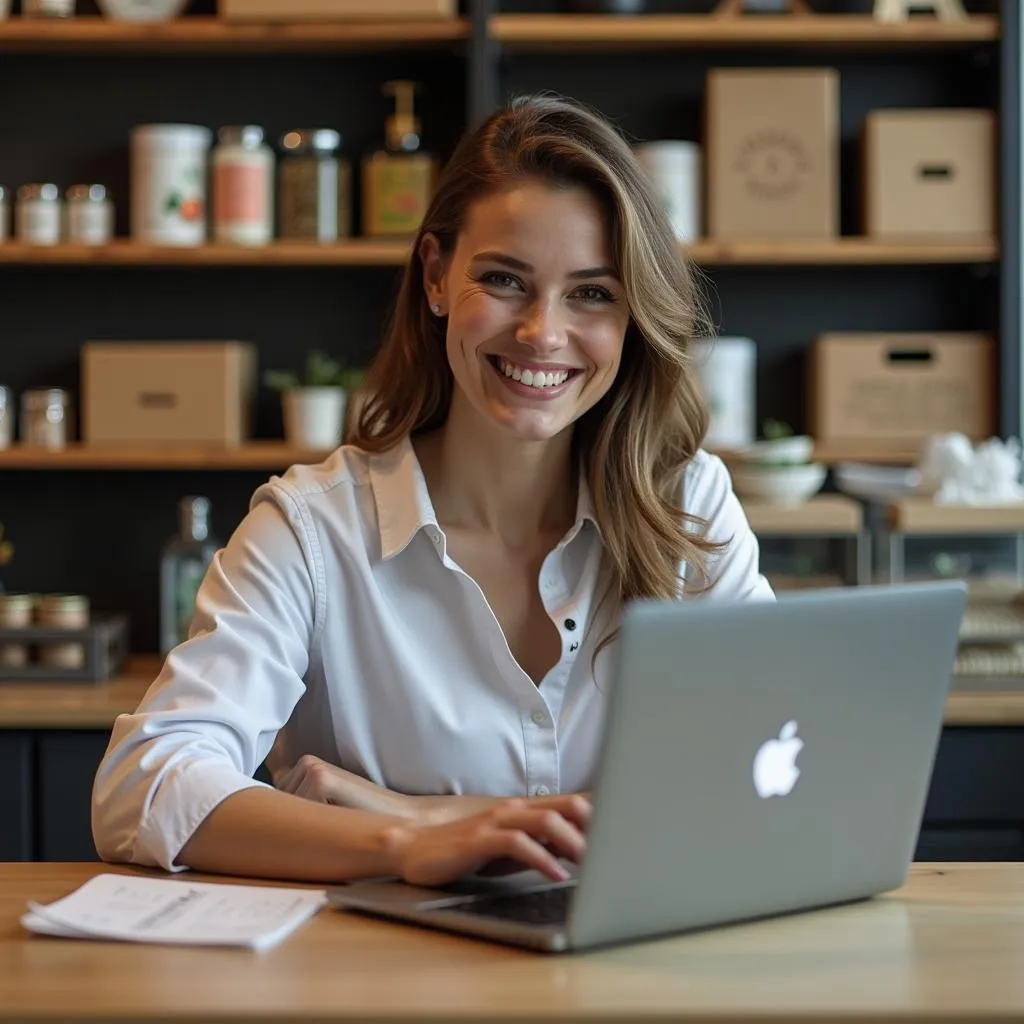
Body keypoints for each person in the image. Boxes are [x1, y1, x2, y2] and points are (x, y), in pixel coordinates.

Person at [92, 94, 773, 890]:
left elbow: (764, 778)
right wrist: (401, 848)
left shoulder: (686, 509)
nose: (542, 334)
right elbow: (143, 786)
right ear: (437, 276)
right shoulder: (313, 529)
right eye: (505, 280)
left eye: (592, 293)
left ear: (632, 314)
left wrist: (407, 810)